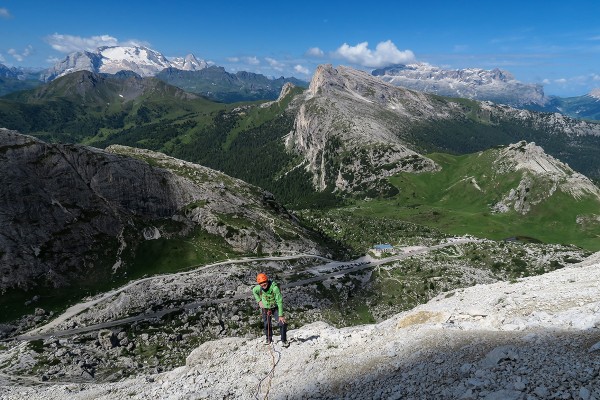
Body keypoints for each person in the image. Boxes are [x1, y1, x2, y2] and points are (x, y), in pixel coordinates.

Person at [252, 273, 289, 347]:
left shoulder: (274, 288)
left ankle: (284, 340)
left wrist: (281, 315)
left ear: (267, 281)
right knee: (266, 324)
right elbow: (253, 291)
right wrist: (259, 301)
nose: (263, 284)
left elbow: (279, 301)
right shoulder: (258, 288)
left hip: (275, 307)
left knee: (282, 323)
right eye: (261, 283)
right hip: (265, 308)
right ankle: (268, 339)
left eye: (264, 282)